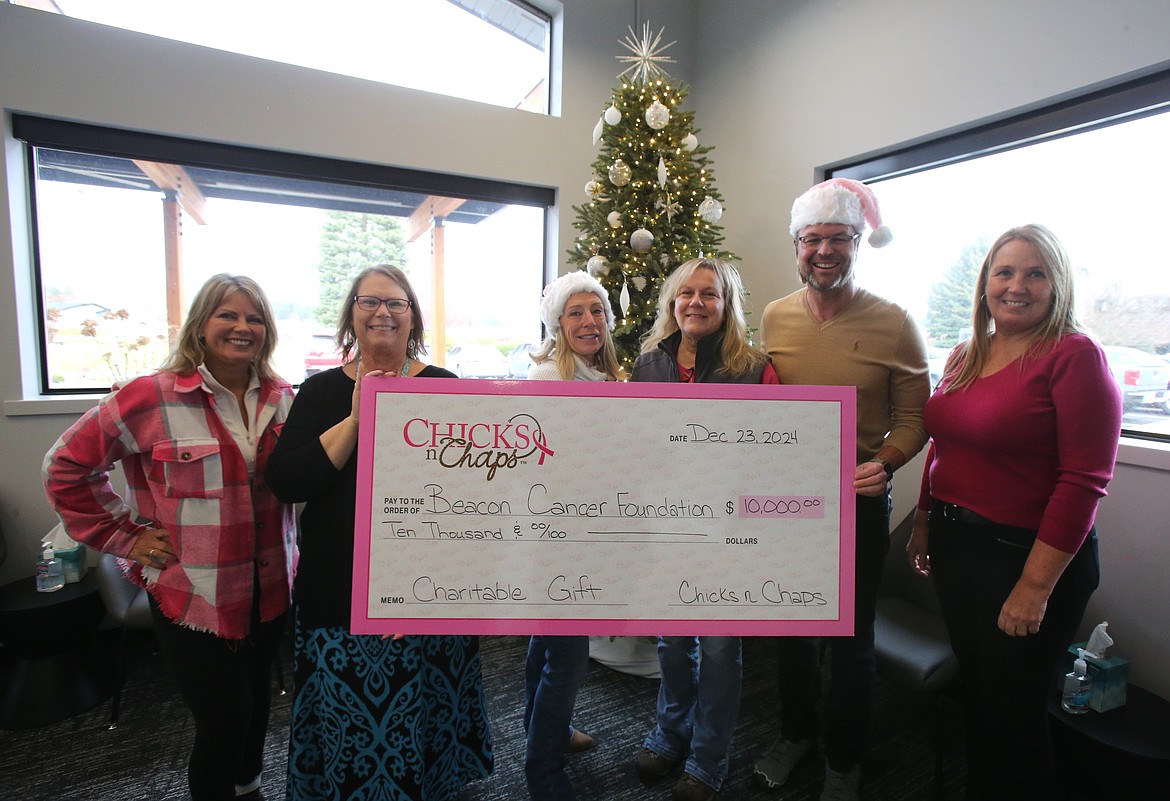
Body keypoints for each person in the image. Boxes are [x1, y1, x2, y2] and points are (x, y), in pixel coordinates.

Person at [43, 274, 295, 801]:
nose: (242, 327)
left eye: (254, 318)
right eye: (228, 314)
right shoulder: (147, 397)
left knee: (255, 709)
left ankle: (248, 788)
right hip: (193, 590)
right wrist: (125, 537)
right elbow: (64, 468)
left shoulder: (282, 398)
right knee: (224, 720)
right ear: (201, 325)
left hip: (270, 586)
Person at [906, 225, 1121, 800]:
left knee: (1014, 715)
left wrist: (1034, 587)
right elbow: (941, 447)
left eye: (1035, 273)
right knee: (977, 695)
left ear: (1057, 286)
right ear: (985, 285)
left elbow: (1084, 482)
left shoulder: (1075, 356)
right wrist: (924, 521)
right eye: (1004, 272)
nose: (1016, 286)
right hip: (959, 548)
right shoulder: (965, 353)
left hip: (1026, 560)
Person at [265, 264, 493, 801]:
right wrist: (356, 418)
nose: (383, 312)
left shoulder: (443, 388)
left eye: (396, 303)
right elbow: (287, 481)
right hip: (339, 588)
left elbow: (477, 495)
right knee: (352, 727)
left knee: (429, 714)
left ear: (413, 317)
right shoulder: (320, 391)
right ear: (352, 315)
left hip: (431, 589)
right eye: (369, 302)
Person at [755, 178, 930, 801]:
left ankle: (845, 759)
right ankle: (796, 732)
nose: (823, 251)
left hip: (857, 501)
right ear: (796, 246)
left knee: (852, 641)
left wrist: (884, 462)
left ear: (859, 242)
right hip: (789, 502)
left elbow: (916, 419)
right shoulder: (775, 316)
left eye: (838, 238)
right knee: (792, 632)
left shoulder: (895, 322)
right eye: (812, 240)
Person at [631, 257, 778, 801]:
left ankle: (708, 759)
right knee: (673, 643)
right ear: (672, 303)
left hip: (727, 530)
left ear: (726, 305)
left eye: (709, 295)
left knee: (718, 648)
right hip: (666, 524)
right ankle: (669, 735)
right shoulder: (648, 365)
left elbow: (772, 453)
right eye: (686, 293)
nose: (696, 302)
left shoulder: (754, 367)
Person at [524, 270, 624, 801]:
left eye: (597, 311)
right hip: (556, 538)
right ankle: (543, 772)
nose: (590, 321)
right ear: (557, 324)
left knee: (548, 644)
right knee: (566, 658)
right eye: (576, 313)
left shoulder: (600, 377)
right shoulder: (548, 380)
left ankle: (548, 733)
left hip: (587, 532)